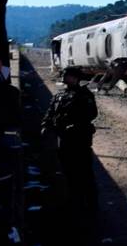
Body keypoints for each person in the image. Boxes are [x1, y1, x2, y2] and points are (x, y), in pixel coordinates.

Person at [42, 67, 99, 213]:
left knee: (84, 172)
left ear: (75, 78)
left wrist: (75, 125)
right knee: (68, 171)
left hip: (80, 139)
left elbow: (91, 114)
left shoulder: (84, 95)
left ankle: (90, 204)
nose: (64, 77)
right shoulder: (60, 95)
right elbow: (51, 112)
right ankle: (73, 201)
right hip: (64, 139)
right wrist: (46, 125)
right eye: (64, 75)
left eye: (67, 75)